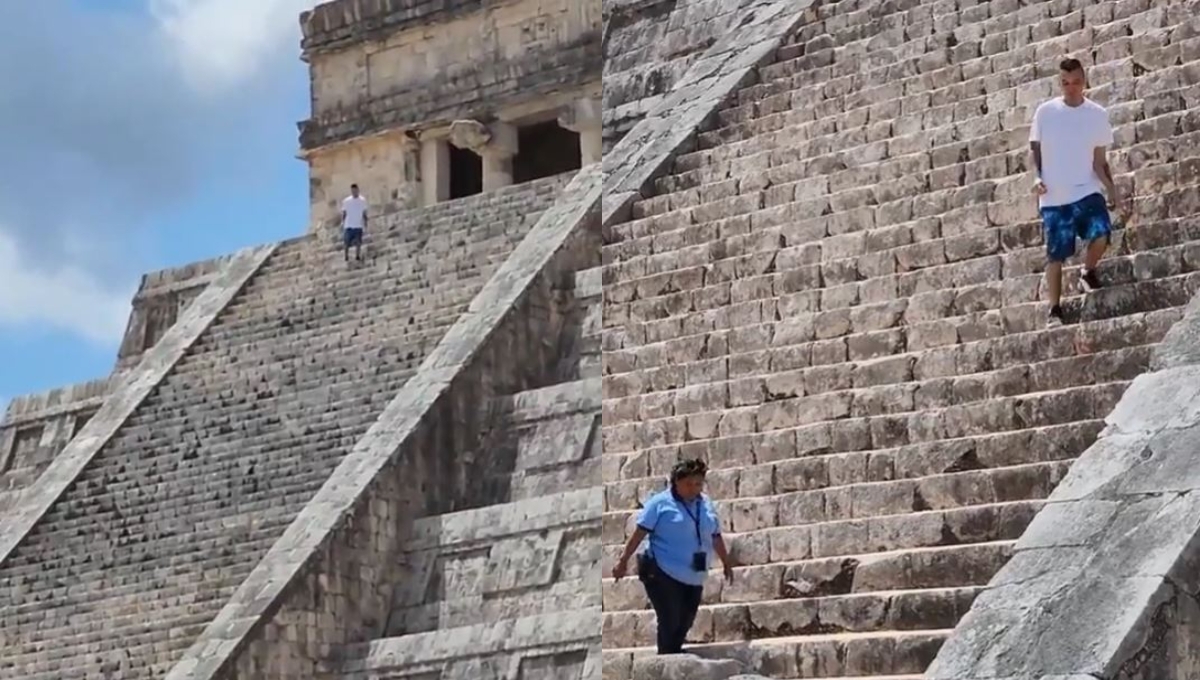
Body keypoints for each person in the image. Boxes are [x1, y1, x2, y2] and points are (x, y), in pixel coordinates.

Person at [1029, 57, 1130, 327]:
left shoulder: (1097, 114)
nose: (1070, 88)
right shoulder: (1045, 112)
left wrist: (1112, 189)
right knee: (1056, 255)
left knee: (1102, 233)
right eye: (1064, 83)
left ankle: (1088, 270)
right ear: (1059, 82)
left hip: (1086, 190)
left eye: (1075, 82)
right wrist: (1037, 177)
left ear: (1084, 81)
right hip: (1054, 195)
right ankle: (1055, 309)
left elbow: (1100, 159)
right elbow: (1035, 149)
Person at [612, 459, 734, 655]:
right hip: (661, 570)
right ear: (676, 482)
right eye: (688, 484)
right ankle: (666, 659)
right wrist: (623, 560)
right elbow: (639, 533)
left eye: (698, 484)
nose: (694, 489)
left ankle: (672, 656)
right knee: (670, 617)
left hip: (694, 572)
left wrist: (726, 562)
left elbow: (715, 535)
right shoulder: (660, 503)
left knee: (686, 618)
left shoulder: (706, 504)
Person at [341, 184, 369, 262]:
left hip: (358, 224)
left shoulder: (362, 200)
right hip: (348, 225)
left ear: (358, 190)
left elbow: (364, 212)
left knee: (358, 242)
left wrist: (365, 222)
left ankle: (357, 255)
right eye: (353, 191)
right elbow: (344, 213)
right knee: (346, 242)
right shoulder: (346, 201)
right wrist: (343, 222)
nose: (354, 192)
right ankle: (346, 256)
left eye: (355, 190)